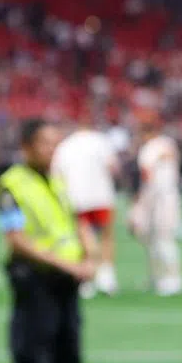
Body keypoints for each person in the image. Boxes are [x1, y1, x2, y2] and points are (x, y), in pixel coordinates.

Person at [0, 118, 95, 363]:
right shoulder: (9, 185)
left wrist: (90, 256)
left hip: (66, 285)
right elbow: (17, 239)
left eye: (55, 143)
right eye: (45, 143)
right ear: (26, 147)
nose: (52, 150)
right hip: (36, 283)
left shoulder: (58, 178)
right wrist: (68, 265)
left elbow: (75, 220)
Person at [52, 120, 122, 296]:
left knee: (84, 238)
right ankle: (107, 276)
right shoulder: (101, 141)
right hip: (102, 196)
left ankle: (87, 277)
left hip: (77, 198)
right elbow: (113, 167)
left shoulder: (65, 146)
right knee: (106, 236)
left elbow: (56, 175)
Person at [132, 113, 182, 296]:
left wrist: (140, 204)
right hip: (168, 194)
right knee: (156, 239)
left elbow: (148, 177)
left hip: (158, 197)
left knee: (160, 239)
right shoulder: (167, 143)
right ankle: (159, 276)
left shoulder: (149, 148)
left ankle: (171, 278)